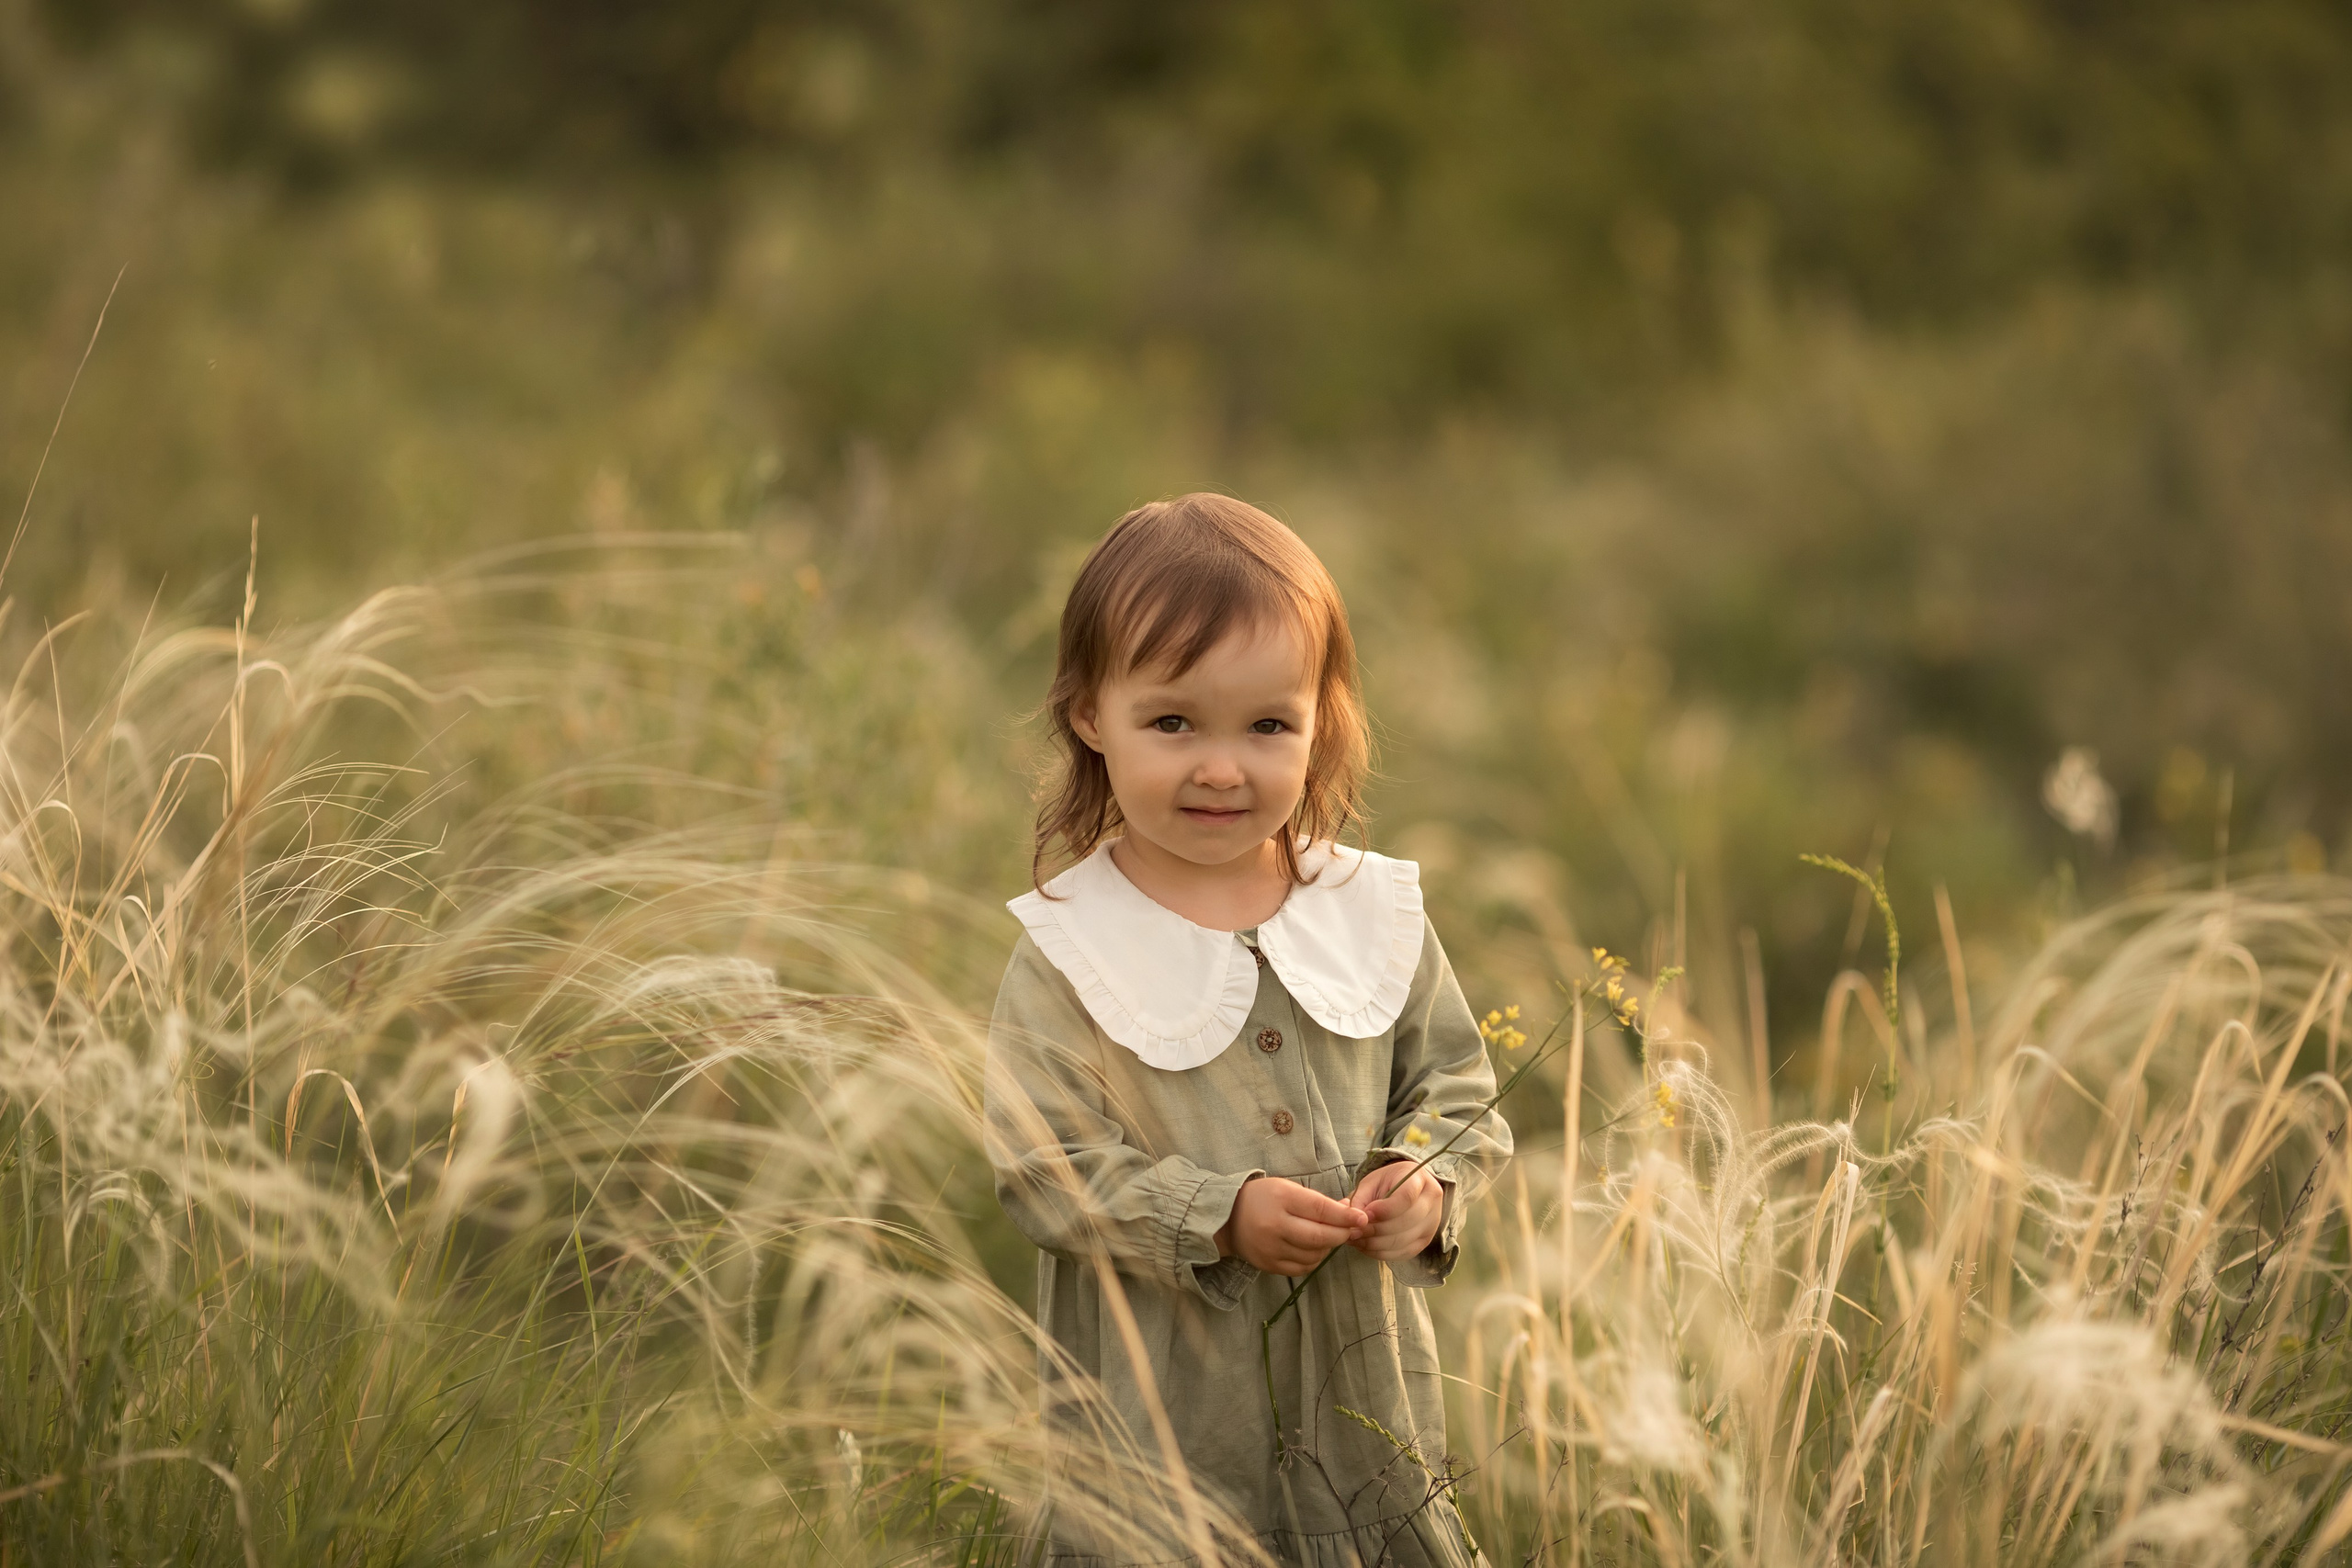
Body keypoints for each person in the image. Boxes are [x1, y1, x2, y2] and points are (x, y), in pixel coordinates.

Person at [985, 493, 1512, 1566]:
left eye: (1268, 725)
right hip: (1167, 1441)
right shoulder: (1070, 948)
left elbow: (1458, 1087)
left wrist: (1425, 1180)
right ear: (1090, 714)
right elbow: (1041, 1168)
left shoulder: (1369, 910)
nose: (1222, 768)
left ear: (1321, 719)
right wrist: (1215, 1215)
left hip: (1364, 1424)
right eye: (1173, 722)